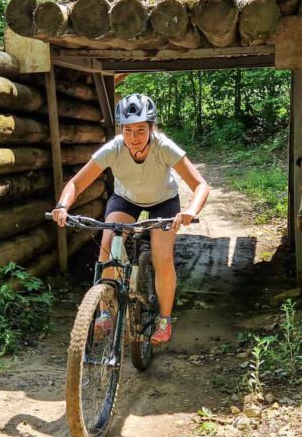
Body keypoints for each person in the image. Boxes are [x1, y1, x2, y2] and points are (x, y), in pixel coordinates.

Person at [51, 93, 210, 345]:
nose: (133, 137)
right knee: (107, 249)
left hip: (163, 201)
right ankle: (105, 311)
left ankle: (164, 319)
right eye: (127, 130)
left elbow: (200, 185)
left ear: (151, 128)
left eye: (140, 130)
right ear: (121, 129)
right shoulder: (113, 149)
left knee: (162, 256)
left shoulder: (163, 147)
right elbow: (77, 183)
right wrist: (62, 205)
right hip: (126, 199)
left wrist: (191, 210)